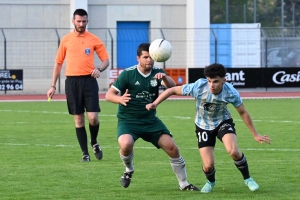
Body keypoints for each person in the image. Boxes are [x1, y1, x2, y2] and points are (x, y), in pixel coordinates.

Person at [146, 63, 271, 193]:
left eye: (216, 81)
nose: (211, 85)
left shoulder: (231, 92)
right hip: (203, 126)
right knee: (208, 166)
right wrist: (155, 103)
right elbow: (171, 90)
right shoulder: (198, 87)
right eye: (209, 81)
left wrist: (255, 134)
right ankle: (211, 182)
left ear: (224, 80)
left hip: (223, 122)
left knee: (233, 151)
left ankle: (248, 179)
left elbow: (243, 112)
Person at [105, 43, 199, 191]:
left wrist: (165, 77)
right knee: (126, 144)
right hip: (128, 120)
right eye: (145, 57)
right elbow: (109, 95)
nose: (149, 60)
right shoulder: (127, 74)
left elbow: (172, 87)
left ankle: (184, 184)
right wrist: (120, 99)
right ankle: (129, 170)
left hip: (150, 120)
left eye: (151, 57)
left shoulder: (157, 72)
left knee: (172, 147)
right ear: (138, 58)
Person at [46, 9, 109, 162]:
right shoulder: (66, 40)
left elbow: (106, 60)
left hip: (89, 81)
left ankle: (94, 141)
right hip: (72, 82)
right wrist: (53, 86)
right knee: (79, 119)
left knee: (93, 118)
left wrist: (99, 69)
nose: (81, 24)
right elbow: (58, 63)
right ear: (73, 21)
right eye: (78, 21)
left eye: (84, 21)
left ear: (87, 21)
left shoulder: (94, 39)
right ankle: (85, 154)